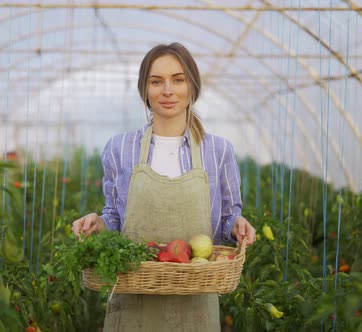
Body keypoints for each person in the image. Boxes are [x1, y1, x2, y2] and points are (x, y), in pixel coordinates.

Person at [71, 42, 256, 331]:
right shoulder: (120, 148)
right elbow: (115, 218)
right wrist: (98, 223)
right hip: (134, 298)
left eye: (178, 80)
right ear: (145, 90)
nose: (167, 90)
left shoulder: (218, 151)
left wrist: (237, 225)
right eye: (156, 81)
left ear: (192, 86)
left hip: (195, 303)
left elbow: (226, 218)